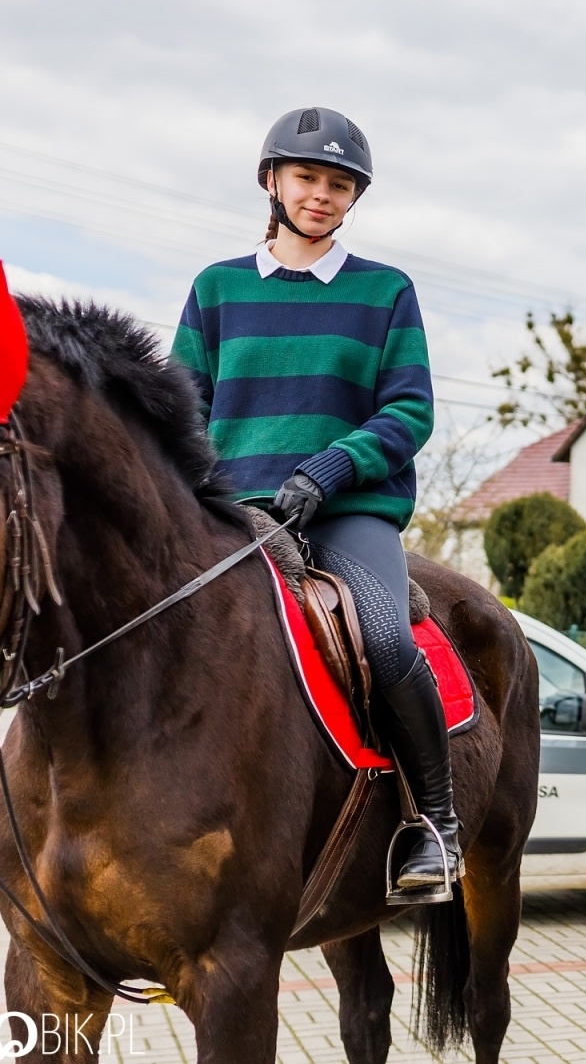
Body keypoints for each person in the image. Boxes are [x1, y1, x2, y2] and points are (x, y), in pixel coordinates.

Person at [170, 107, 460, 900]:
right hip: (230, 514)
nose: (321, 195)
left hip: (344, 508)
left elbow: (408, 411)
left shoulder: (384, 292)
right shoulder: (216, 288)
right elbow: (178, 411)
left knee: (386, 638)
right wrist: (208, 492)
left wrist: (328, 471)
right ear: (272, 181)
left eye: (339, 184)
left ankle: (434, 823)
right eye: (306, 178)